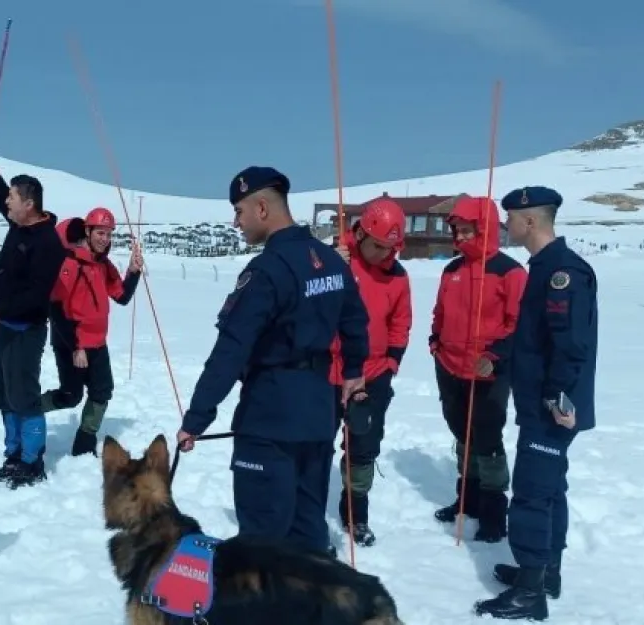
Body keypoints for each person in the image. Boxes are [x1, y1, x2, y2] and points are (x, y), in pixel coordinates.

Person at [176, 166, 370, 556]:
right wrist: (353, 371)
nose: (236, 223)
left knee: (262, 542)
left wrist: (196, 419)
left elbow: (231, 350)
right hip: (318, 414)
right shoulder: (331, 261)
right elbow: (356, 322)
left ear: (261, 208)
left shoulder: (267, 271)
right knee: (308, 531)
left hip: (270, 419)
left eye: (239, 212)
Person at [475, 186, 598, 621]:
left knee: (530, 494)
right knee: (550, 490)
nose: (507, 226)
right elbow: (536, 339)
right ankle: (545, 572)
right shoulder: (546, 268)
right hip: (544, 403)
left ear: (530, 220)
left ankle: (530, 592)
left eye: (511, 218)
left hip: (552, 409)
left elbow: (570, 346)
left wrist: (556, 399)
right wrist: (498, 355)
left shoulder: (560, 272)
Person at [0, 113, 68, 489]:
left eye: (13, 198)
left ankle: (32, 459)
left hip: (25, 329)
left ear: (30, 203)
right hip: (1, 326)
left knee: (24, 396)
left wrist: (1, 310)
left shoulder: (48, 242)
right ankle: (13, 454)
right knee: (3, 393)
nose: (6, 201)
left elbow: (36, 294)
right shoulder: (19, 224)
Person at [429, 195, 527, 543]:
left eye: (465, 228)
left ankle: (493, 512)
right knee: (461, 434)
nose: (458, 235)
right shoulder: (451, 269)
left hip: (489, 371)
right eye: (455, 229)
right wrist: (435, 340)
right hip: (449, 365)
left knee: (486, 438)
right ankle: (466, 499)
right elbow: (439, 312)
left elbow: (520, 325)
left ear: (483, 227)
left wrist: (496, 354)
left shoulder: (510, 272)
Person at [329, 197, 412, 547]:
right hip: (329, 372)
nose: (383, 254)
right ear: (360, 233)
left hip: (373, 374)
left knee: (363, 446)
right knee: (316, 445)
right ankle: (306, 516)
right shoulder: (334, 261)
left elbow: (401, 323)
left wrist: (391, 365)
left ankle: (355, 516)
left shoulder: (398, 276)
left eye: (390, 247)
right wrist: (331, 267)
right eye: (378, 246)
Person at [43, 209, 143, 457]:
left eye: (108, 234)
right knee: (71, 395)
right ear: (87, 231)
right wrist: (76, 347)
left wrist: (133, 272)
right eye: (100, 232)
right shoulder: (70, 263)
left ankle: (84, 445)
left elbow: (121, 296)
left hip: (97, 342)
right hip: (72, 343)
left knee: (102, 391)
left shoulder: (103, 265)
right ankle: (28, 406)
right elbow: (55, 309)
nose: (104, 239)